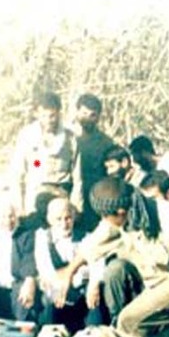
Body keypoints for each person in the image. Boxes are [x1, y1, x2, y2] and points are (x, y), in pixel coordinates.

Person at [54, 177, 169, 337]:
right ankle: (154, 331)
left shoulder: (168, 218)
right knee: (115, 270)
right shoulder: (121, 214)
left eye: (105, 216)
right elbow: (92, 245)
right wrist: (69, 273)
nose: (104, 220)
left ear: (121, 212)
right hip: (153, 281)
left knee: (127, 321)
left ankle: (151, 336)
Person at [34, 197, 106, 334]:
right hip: (56, 293)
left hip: (83, 293)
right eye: (58, 219)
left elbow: (97, 265)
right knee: (50, 318)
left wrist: (71, 276)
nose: (64, 224)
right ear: (50, 220)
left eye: (68, 218)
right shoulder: (42, 238)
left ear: (73, 217)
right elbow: (47, 271)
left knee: (95, 318)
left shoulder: (86, 237)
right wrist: (80, 272)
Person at [9, 92, 83, 216]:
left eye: (52, 116)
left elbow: (78, 176)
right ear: (36, 114)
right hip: (35, 195)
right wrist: (19, 207)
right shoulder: (27, 136)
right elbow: (17, 174)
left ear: (59, 113)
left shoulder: (70, 138)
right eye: (44, 116)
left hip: (61, 195)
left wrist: (77, 207)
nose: (48, 120)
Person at [0, 192, 41, 323]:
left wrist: (29, 281)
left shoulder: (25, 235)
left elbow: (29, 260)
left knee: (22, 314)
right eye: (3, 217)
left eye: (11, 216)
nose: (8, 221)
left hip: (15, 286)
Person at [72, 93, 116, 233]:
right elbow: (38, 161)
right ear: (77, 111)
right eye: (84, 113)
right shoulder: (65, 137)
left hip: (92, 194)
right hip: (67, 190)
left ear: (98, 117)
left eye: (93, 115)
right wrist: (37, 165)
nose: (87, 118)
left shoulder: (105, 142)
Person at [129, 135, 169, 206]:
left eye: (135, 156)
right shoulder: (144, 173)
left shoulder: (168, 163)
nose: (134, 161)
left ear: (144, 152)